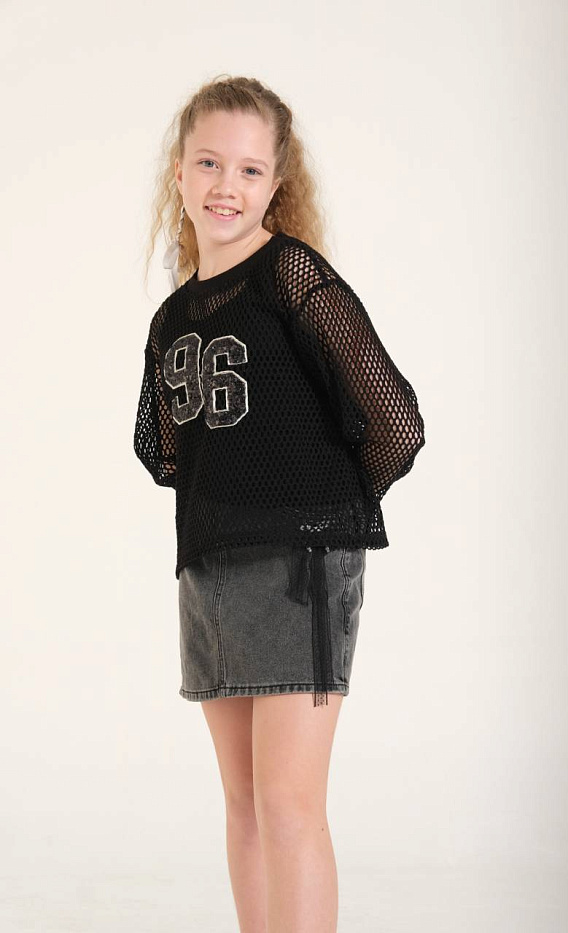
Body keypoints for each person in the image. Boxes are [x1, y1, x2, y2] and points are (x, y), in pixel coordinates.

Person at [133, 74, 425, 933]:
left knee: (291, 806)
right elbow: (165, 449)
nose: (227, 185)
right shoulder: (172, 318)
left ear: (276, 185)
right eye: (209, 163)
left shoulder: (290, 276)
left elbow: (395, 420)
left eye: (250, 170)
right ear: (179, 173)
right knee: (246, 804)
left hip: (301, 569)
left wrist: (324, 515)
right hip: (210, 571)